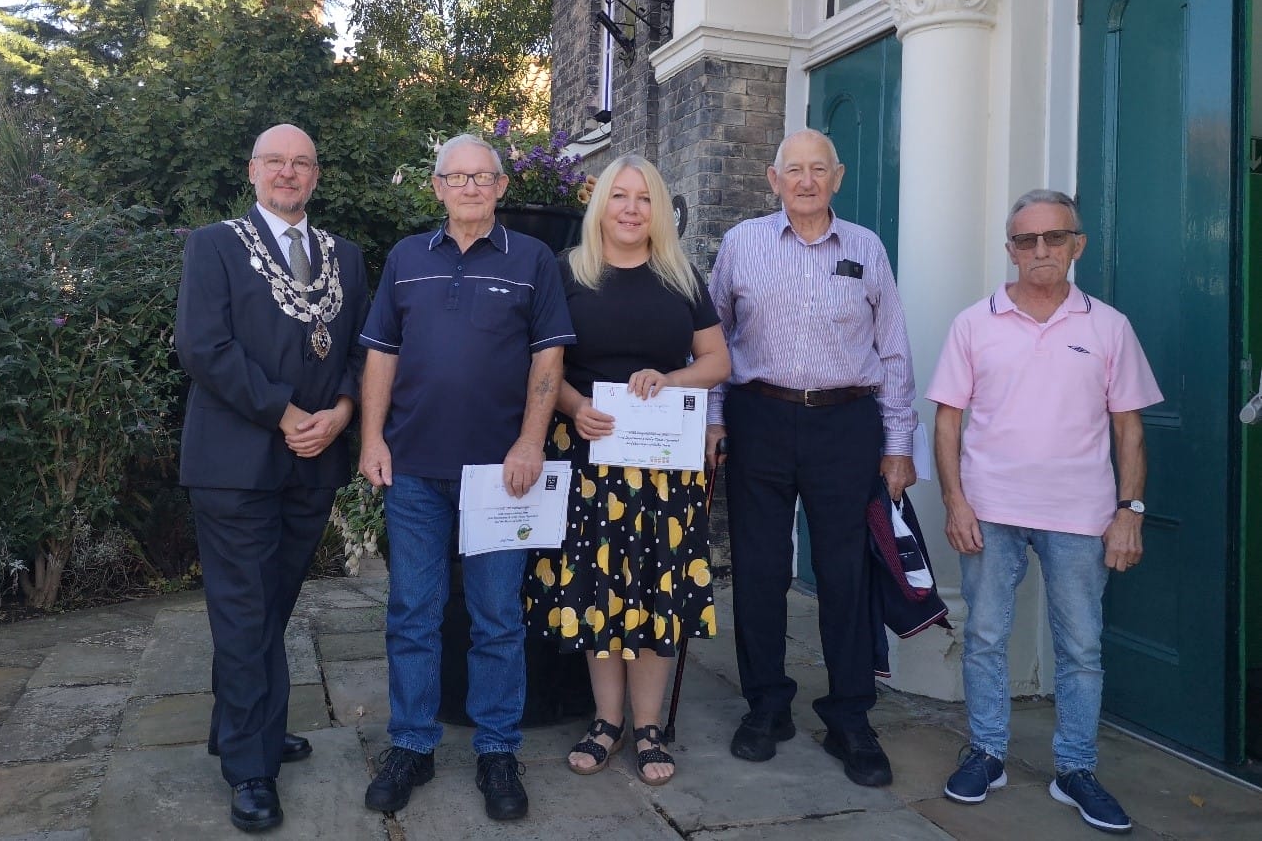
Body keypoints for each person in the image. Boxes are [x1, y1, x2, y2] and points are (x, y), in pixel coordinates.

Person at [928, 189, 1162, 834]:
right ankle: (986, 753)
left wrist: (1129, 512)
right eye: (1026, 239)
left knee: (1082, 649)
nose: (1040, 251)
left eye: (1054, 238)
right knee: (983, 638)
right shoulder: (975, 323)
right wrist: (955, 501)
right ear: (1009, 247)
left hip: (1082, 514)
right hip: (990, 510)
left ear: (1077, 245)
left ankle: (1077, 769)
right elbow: (947, 421)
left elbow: (1129, 431)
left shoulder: (1108, 326)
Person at [358, 134, 574, 821]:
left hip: (499, 476)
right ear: (437, 187)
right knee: (413, 615)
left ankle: (496, 751)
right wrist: (370, 438)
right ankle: (412, 745)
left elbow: (547, 361)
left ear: (502, 187)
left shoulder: (533, 259)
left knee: (497, 620)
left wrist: (530, 443)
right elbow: (381, 356)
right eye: (457, 177)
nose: (471, 187)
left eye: (484, 176)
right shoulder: (405, 259)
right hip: (414, 468)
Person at [707, 128, 916, 787]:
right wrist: (712, 420)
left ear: (837, 176)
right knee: (761, 570)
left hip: (845, 423)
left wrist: (898, 444)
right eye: (792, 170)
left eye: (816, 169)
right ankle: (766, 705)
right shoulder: (741, 244)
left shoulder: (864, 248)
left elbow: (893, 351)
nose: (804, 181)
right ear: (773, 180)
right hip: (759, 417)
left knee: (844, 575)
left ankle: (849, 716)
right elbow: (710, 339)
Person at [176, 123, 369, 832]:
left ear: (316, 176)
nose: (288, 174)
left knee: (270, 608)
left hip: (314, 460)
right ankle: (250, 769)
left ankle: (239, 728)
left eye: (301, 163)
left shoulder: (344, 257)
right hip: (235, 464)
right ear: (252, 171)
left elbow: (360, 348)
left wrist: (343, 411)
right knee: (247, 615)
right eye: (275, 162)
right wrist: (285, 412)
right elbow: (202, 346)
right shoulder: (214, 244)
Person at [524, 154, 730, 786]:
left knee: (654, 596)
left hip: (663, 469)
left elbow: (717, 360)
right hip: (589, 458)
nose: (632, 209)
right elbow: (543, 365)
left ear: (658, 209)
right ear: (601, 205)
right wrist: (577, 406)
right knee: (598, 595)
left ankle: (648, 726)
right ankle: (605, 720)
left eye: (645, 198)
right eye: (621, 196)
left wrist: (669, 379)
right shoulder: (567, 273)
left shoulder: (680, 276)